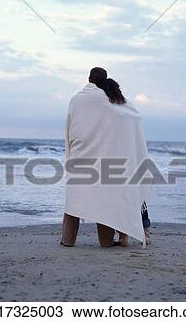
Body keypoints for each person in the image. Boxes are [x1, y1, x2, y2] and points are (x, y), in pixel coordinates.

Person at [61, 67, 150, 247]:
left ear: (89, 78)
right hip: (108, 159)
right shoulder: (116, 101)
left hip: (81, 157)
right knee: (105, 202)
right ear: (105, 79)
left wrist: (70, 155)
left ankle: (68, 241)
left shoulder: (77, 99)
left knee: (74, 201)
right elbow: (134, 119)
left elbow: (70, 129)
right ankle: (107, 243)